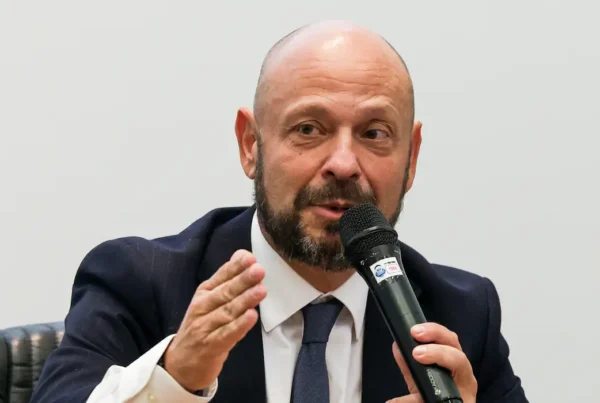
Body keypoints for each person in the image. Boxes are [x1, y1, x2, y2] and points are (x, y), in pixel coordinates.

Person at [31, 20, 528, 403]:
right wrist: (174, 380)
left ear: (412, 158)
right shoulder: (141, 284)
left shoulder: (459, 313)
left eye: (374, 133)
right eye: (309, 129)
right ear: (251, 144)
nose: (343, 164)